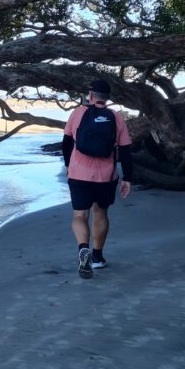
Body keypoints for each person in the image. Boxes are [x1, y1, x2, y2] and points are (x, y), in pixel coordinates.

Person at [62, 79, 133, 278]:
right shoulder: (116, 117)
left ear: (91, 96)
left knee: (79, 216)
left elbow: (66, 144)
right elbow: (125, 150)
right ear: (107, 98)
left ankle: (82, 248)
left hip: (78, 174)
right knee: (101, 213)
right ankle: (98, 257)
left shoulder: (77, 113)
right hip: (106, 176)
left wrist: (70, 166)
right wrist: (128, 177)